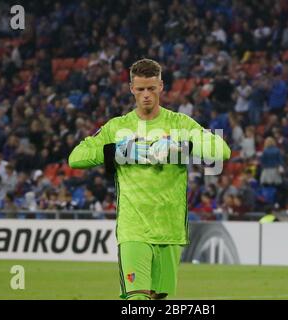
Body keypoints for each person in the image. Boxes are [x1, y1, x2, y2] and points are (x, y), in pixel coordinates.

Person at [68, 59, 231, 300]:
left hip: (170, 231)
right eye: (141, 89)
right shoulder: (118, 127)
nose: (146, 95)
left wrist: (181, 147)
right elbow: (76, 158)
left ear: (161, 87)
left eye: (151, 89)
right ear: (131, 88)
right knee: (137, 301)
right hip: (134, 229)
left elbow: (222, 151)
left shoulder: (180, 124)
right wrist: (121, 151)